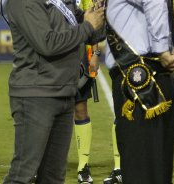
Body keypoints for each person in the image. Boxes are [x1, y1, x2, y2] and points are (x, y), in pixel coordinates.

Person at [1, 0, 105, 183]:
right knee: (22, 174)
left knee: (53, 176)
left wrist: (98, 14)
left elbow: (93, 33)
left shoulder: (63, 2)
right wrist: (88, 26)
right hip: (36, 94)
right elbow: (47, 43)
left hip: (64, 91)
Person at [103, 1, 174, 184]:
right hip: (145, 74)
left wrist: (162, 48)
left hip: (143, 77)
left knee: (141, 162)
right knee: (155, 162)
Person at [74, 0, 101, 183]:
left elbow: (93, 21)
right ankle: (39, 163)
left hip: (79, 55)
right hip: (53, 54)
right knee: (47, 109)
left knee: (80, 108)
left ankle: (83, 165)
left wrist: (95, 54)